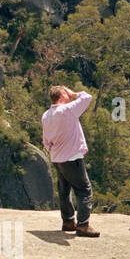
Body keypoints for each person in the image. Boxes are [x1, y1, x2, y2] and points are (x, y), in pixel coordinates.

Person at [41, 85, 99, 237]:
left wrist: (54, 152)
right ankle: (83, 225)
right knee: (84, 191)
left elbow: (46, 142)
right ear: (62, 96)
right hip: (72, 157)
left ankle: (68, 221)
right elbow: (87, 98)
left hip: (57, 158)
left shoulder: (46, 115)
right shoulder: (68, 110)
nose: (68, 96)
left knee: (64, 190)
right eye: (66, 94)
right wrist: (74, 94)